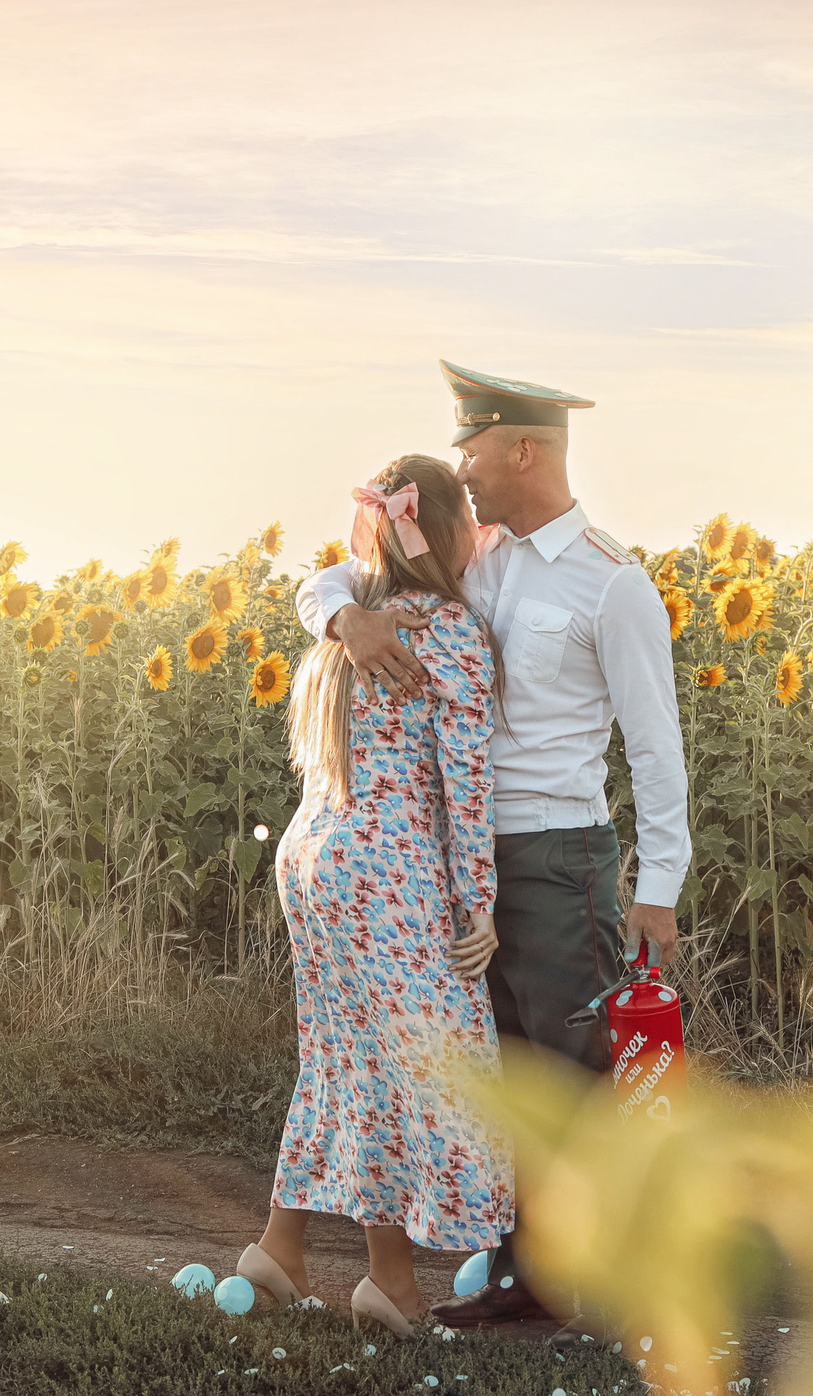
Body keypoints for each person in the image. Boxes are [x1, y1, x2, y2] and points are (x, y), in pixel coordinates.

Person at [295, 359, 691, 1331]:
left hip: (559, 856)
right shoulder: (475, 554)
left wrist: (660, 883)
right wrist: (347, 619)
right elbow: (329, 580)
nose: (459, 466)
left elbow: (654, 744)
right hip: (456, 865)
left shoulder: (612, 584)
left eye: (471, 446)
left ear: (523, 448)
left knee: (573, 1072)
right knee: (503, 1073)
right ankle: (530, 1276)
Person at [233, 454, 509, 1339]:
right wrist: (482, 903)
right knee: (417, 1063)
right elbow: (465, 786)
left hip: (315, 858)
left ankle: (280, 1249)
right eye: (467, 513)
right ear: (447, 526)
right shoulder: (447, 633)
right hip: (388, 869)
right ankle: (388, 1281)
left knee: (345, 1056)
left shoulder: (354, 628)